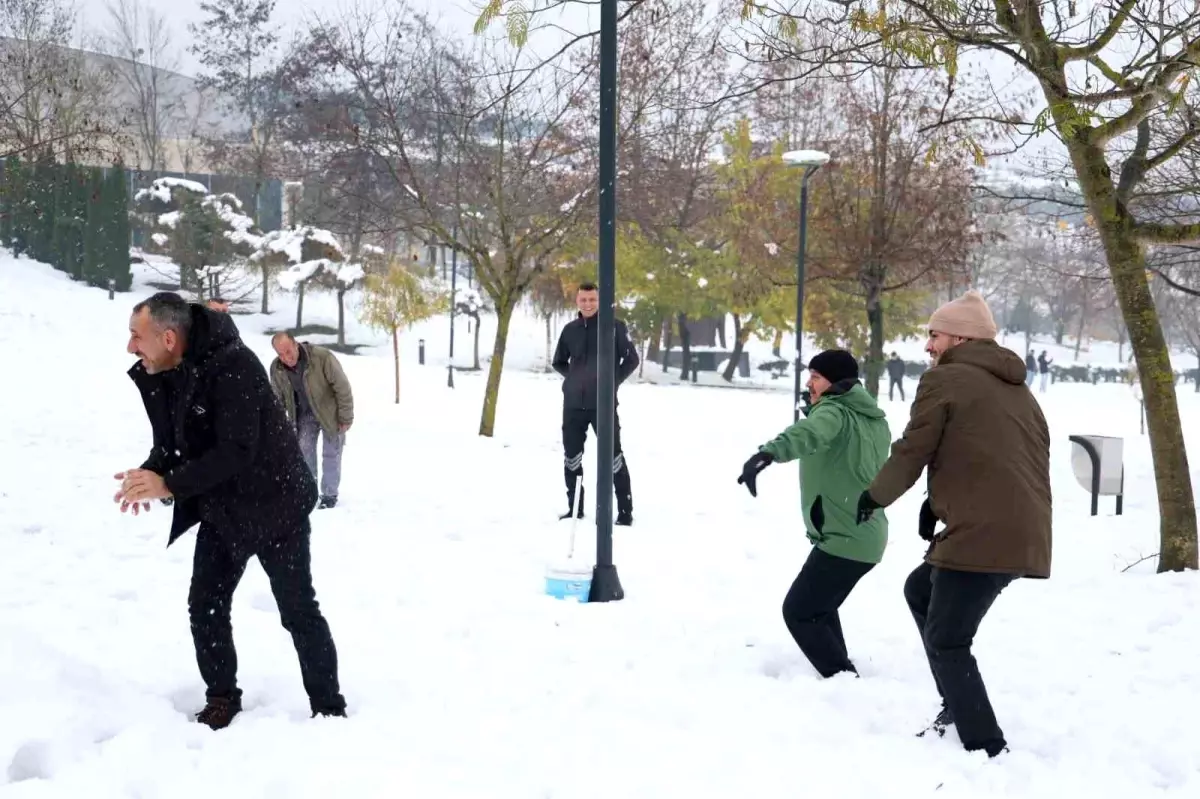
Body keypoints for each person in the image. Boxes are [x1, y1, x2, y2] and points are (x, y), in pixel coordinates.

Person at [114, 292, 346, 730]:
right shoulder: (166, 368)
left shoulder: (234, 366)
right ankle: (221, 697)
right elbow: (176, 441)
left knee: (297, 609)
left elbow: (237, 449)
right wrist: (150, 473)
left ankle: (329, 708)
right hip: (225, 508)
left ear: (167, 337)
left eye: (135, 337)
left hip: (277, 505)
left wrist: (170, 485)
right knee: (205, 604)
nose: (130, 348)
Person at [855, 289, 1051, 758]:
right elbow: (985, 454)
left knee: (948, 639)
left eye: (935, 335)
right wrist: (936, 500)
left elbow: (914, 447)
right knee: (921, 590)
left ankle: (985, 745)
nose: (928, 346)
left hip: (982, 532)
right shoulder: (1017, 389)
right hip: (1017, 528)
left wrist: (875, 495)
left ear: (961, 338)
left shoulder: (946, 380)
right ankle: (957, 707)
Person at [738, 350, 891, 679]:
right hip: (863, 531)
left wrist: (767, 454)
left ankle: (841, 676)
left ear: (835, 383)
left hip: (845, 536)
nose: (809, 382)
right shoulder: (873, 420)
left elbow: (809, 433)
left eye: (817, 377)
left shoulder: (833, 413)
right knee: (819, 608)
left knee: (799, 611)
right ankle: (842, 675)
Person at [551, 282, 639, 525]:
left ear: (599, 301)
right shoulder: (570, 330)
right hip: (572, 406)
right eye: (583, 300)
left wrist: (612, 382)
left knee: (614, 457)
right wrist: (574, 379)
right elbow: (558, 361)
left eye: (592, 300)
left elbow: (632, 359)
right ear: (577, 301)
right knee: (572, 458)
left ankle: (625, 513)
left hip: (603, 405)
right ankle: (575, 509)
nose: (588, 304)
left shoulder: (614, 328)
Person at [269, 332, 354, 509]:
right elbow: (276, 399)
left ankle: (329, 495)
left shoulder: (321, 357)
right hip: (305, 415)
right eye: (281, 354)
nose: (286, 357)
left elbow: (342, 386)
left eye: (288, 351)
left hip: (330, 413)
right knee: (304, 451)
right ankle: (309, 491)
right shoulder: (276, 368)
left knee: (331, 454)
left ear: (296, 344)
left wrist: (345, 416)